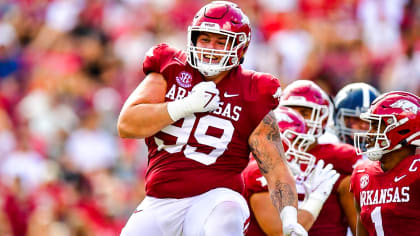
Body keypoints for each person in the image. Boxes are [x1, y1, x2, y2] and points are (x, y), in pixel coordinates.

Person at [117, 1, 306, 236]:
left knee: (226, 213)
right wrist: (183, 106)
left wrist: (288, 216)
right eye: (205, 39)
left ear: (240, 47)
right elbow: (127, 124)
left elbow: (275, 166)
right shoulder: (172, 68)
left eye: (220, 41)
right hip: (160, 199)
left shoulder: (253, 90)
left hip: (215, 198)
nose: (211, 48)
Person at [243, 106, 340, 235]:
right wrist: (316, 199)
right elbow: (280, 231)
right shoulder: (259, 170)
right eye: (297, 140)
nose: (301, 149)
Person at [280, 80, 360, 236]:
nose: (296, 119)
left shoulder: (341, 156)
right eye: (291, 111)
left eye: (304, 113)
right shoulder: (268, 153)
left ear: (323, 118)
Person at [350, 91, 420, 236]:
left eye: (376, 126)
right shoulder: (362, 173)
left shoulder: (417, 172)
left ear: (402, 128)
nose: (369, 134)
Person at [334, 82, 381, 149]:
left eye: (370, 121)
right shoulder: (328, 144)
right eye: (355, 119)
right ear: (337, 118)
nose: (363, 126)